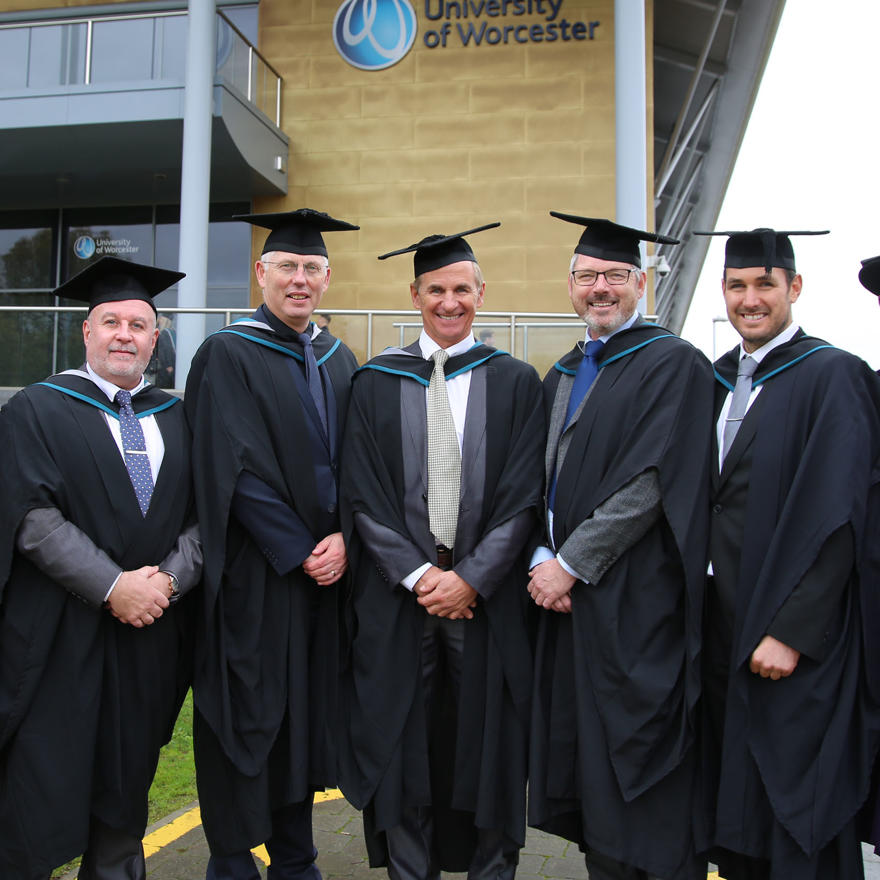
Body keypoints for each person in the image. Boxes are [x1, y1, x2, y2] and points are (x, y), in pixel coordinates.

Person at [339, 224, 545, 880]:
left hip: (487, 605)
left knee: (490, 747)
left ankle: (492, 870)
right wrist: (422, 575)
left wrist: (472, 579)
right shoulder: (375, 381)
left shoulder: (516, 382)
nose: (449, 301)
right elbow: (362, 496)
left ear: (482, 294)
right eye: (436, 289)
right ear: (414, 293)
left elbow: (524, 496)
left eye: (461, 289)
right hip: (401, 603)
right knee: (404, 747)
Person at [0, 256, 201, 880]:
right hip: (61, 638)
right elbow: (31, 516)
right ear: (86, 332)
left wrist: (167, 582)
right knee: (37, 787)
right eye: (110, 321)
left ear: (156, 337)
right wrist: (113, 586)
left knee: (126, 789)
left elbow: (209, 518)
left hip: (150, 641)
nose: (124, 335)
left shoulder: (181, 417)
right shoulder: (37, 408)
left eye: (138, 325)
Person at [526, 214, 714, 880]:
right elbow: (538, 480)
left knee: (642, 759)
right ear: (570, 285)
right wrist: (539, 557)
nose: (599, 288)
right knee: (589, 763)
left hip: (638, 605)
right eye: (586, 277)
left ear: (640, 282)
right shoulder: (566, 370)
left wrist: (571, 564)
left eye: (613, 276)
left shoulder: (674, 364)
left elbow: (653, 480)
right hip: (571, 608)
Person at [697, 228, 880, 880]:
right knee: (736, 803)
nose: (750, 299)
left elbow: (841, 517)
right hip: (719, 623)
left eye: (764, 284)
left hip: (788, 635)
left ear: (794, 288)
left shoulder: (833, 376)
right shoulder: (715, 380)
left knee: (797, 805)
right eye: (738, 285)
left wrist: (791, 631)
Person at [184, 209, 359, 880]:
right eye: (287, 266)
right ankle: (230, 857)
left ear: (326, 277)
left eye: (311, 268)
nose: (300, 279)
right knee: (243, 713)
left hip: (325, 579)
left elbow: (364, 459)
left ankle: (296, 855)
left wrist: (344, 534)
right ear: (261, 273)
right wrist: (302, 546)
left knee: (302, 721)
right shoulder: (229, 352)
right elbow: (230, 464)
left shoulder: (341, 358)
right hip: (256, 578)